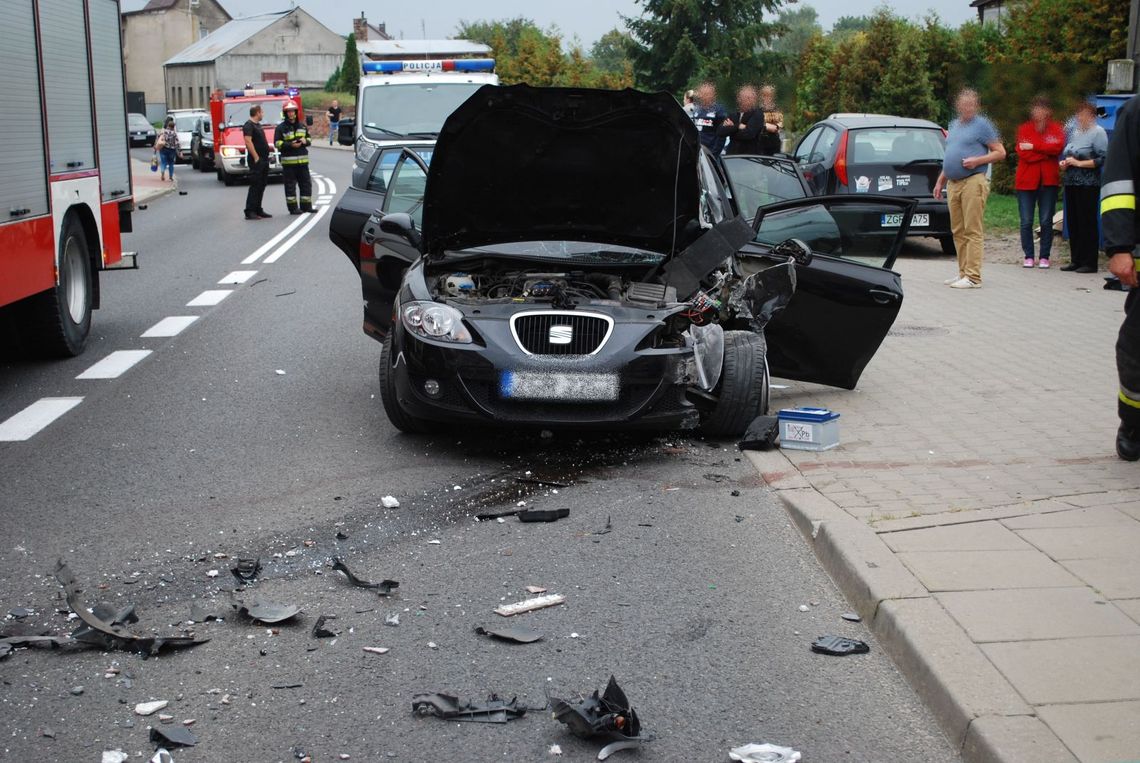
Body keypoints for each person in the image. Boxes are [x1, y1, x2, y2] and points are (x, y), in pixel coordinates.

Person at [1099, 93, 1140, 461]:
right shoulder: (1137, 110)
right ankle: (1134, 424)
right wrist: (1120, 247)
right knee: (1135, 347)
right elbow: (1118, 183)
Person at [933, 89, 1006, 289]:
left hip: (973, 180)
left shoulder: (983, 125)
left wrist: (978, 160)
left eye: (971, 104)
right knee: (957, 230)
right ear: (958, 105)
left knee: (972, 229)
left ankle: (973, 277)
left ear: (977, 106)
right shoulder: (954, 125)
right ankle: (963, 272)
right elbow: (950, 154)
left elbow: (1000, 152)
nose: (967, 107)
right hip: (953, 182)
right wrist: (941, 180)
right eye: (963, 104)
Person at [1014, 96, 1064, 268]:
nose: (1039, 112)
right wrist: (1045, 152)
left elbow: (1057, 147)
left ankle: (1044, 256)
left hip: (1048, 181)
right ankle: (1028, 255)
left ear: (1049, 111)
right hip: (1026, 181)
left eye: (1042, 109)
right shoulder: (1024, 129)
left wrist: (1034, 147)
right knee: (1026, 221)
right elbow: (1023, 152)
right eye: (1036, 109)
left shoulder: (1056, 129)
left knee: (1046, 221)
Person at [1060, 101, 1108, 273]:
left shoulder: (1098, 132)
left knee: (1086, 221)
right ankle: (1076, 259)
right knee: (1073, 221)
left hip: (1088, 183)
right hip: (1071, 181)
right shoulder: (1074, 131)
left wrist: (1079, 163)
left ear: (1092, 116)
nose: (1080, 117)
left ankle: (1089, 261)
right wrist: (1065, 163)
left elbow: (1102, 159)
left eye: (1084, 114)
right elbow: (1069, 152)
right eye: (1078, 114)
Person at [275, 100, 313, 215]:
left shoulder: (302, 126)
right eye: (288, 112)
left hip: (303, 163)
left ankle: (306, 207)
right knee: (290, 186)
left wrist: (305, 141)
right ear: (285, 113)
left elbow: (310, 140)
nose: (291, 114)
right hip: (289, 164)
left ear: (296, 112)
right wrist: (290, 145)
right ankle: (293, 208)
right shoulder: (280, 128)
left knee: (306, 184)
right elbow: (277, 143)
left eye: (292, 111)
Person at [242, 105, 272, 220]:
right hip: (257, 160)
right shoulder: (248, 125)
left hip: (264, 159)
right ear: (257, 113)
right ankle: (250, 211)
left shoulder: (258, 125)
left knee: (262, 184)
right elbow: (248, 141)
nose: (263, 114)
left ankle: (258, 208)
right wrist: (256, 157)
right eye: (262, 112)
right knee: (255, 185)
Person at [692, 81, 733, 155]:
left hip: (710, 152)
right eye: (702, 94)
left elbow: (722, 134)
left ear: (713, 95)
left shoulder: (719, 110)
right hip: (697, 151)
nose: (703, 96)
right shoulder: (697, 109)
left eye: (707, 94)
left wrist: (714, 153)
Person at [725, 86, 763, 156]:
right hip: (731, 154)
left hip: (749, 155)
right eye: (743, 98)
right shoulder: (733, 113)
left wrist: (732, 129)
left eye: (748, 98)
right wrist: (738, 126)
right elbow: (721, 131)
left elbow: (749, 134)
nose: (745, 100)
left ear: (754, 100)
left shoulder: (757, 114)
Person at [757, 85, 784, 156]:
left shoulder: (777, 110)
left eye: (769, 96)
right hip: (760, 143)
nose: (766, 98)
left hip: (773, 144)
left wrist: (763, 125)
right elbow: (754, 125)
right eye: (764, 95)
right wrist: (766, 126)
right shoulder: (758, 110)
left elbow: (776, 128)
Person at [156, 117, 179, 182]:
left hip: (163, 149)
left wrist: (156, 146)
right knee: (171, 163)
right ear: (173, 127)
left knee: (163, 162)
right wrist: (179, 151)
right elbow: (177, 142)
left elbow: (158, 139)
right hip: (172, 150)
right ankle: (170, 177)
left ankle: (163, 172)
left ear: (168, 125)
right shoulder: (174, 133)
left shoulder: (163, 132)